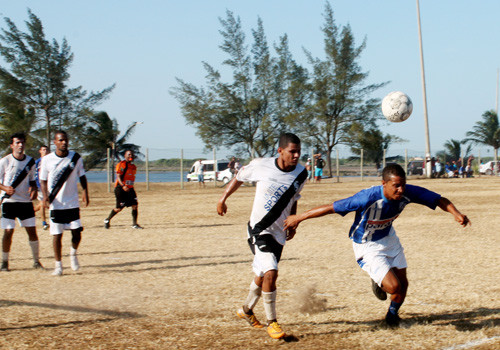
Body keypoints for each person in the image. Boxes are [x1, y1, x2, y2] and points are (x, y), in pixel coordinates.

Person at [284, 163, 470, 327]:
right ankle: (378, 281)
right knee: (393, 287)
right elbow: (331, 208)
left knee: (403, 285)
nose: (400, 190)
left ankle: (391, 317)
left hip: (389, 238)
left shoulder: (408, 192)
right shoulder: (367, 198)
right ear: (384, 184)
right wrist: (299, 217)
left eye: (403, 185)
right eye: (396, 186)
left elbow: (438, 199)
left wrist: (456, 213)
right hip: (366, 245)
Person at [217, 133, 307, 340]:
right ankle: (272, 322)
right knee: (271, 271)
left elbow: (294, 197)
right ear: (280, 151)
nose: (296, 155)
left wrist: (293, 220)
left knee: (262, 275)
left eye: (298, 152)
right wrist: (223, 198)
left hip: (279, 232)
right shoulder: (261, 165)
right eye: (292, 151)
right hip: (259, 230)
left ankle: (246, 310)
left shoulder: (302, 173)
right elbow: (239, 176)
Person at [40, 130, 89, 276]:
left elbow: (82, 176)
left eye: (65, 140)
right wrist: (45, 196)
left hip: (72, 202)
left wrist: (85, 192)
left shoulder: (75, 158)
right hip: (56, 203)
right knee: (57, 235)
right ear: (54, 142)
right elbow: (43, 180)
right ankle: (58, 266)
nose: (64, 142)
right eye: (60, 140)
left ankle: (73, 255)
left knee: (77, 233)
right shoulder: (47, 160)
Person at [0, 133, 43, 271]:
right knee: (8, 231)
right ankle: (5, 262)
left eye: (22, 142)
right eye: (17, 143)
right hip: (9, 202)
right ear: (12, 145)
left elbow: (31, 179)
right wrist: (4, 188)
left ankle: (36, 261)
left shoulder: (30, 161)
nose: (20, 145)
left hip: (24, 202)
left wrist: (34, 188)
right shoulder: (5, 161)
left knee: (32, 231)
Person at [104, 150, 143, 229]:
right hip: (121, 189)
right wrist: (123, 186)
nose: (130, 156)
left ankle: (134, 224)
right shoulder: (122, 164)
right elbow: (118, 176)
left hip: (130, 189)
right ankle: (107, 220)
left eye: (131, 154)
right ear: (125, 156)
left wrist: (129, 186)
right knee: (119, 208)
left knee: (135, 205)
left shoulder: (133, 167)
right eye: (128, 154)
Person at [34, 145, 49, 230]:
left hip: (49, 186)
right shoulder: (37, 162)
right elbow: (33, 174)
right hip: (39, 185)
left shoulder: (51, 161)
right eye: (43, 150)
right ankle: (44, 222)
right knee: (43, 203)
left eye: (46, 150)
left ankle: (29, 213)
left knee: (45, 203)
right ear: (40, 151)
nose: (45, 151)